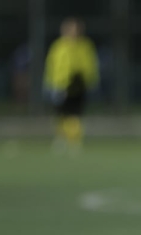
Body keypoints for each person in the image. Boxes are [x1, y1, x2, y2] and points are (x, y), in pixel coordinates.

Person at [43, 18, 99, 153]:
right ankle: (61, 138)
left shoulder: (85, 46)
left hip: (78, 84)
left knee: (76, 113)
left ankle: (74, 140)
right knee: (61, 113)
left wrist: (90, 80)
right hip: (60, 84)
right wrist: (50, 82)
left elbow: (90, 64)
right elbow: (52, 65)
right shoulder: (58, 46)